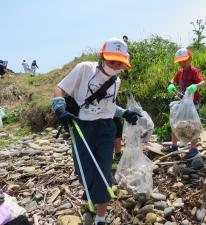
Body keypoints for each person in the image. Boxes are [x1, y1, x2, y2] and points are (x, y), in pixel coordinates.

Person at [51, 37, 141, 225]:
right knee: (84, 171)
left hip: (106, 129)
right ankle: (91, 193)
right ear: (102, 56)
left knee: (103, 171)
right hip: (82, 128)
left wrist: (125, 113)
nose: (115, 66)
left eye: (120, 63)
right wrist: (59, 108)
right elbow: (60, 88)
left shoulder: (116, 81)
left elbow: (108, 107)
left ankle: (100, 217)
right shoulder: (85, 68)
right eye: (112, 61)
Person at [163, 47, 206, 159]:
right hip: (183, 101)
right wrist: (171, 84)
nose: (182, 63)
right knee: (175, 122)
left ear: (190, 59)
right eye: (180, 62)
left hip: (193, 103)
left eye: (184, 61)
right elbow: (173, 79)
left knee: (192, 125)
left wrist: (195, 86)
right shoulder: (180, 72)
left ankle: (193, 149)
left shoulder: (193, 71)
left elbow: (203, 82)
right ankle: (174, 146)